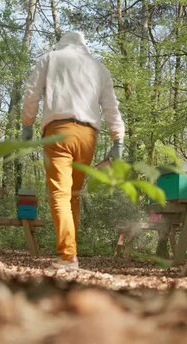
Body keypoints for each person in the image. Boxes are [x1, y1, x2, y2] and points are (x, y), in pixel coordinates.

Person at [21, 31, 125, 270]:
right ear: (84, 45)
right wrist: (118, 140)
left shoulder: (50, 58)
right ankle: (70, 253)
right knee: (74, 196)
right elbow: (111, 105)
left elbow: (31, 93)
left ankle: (68, 257)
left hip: (58, 132)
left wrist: (27, 123)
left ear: (61, 42)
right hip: (88, 136)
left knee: (60, 194)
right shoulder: (98, 68)